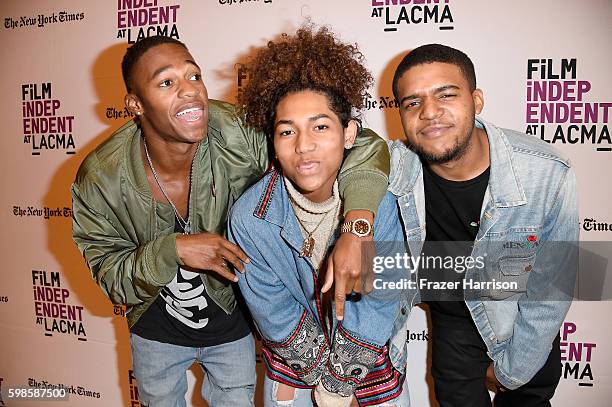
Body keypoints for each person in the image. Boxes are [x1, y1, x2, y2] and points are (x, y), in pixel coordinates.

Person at [71, 35, 391, 407]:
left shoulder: (238, 132)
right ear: (135, 104)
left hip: (232, 323)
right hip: (154, 330)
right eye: (166, 82)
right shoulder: (101, 177)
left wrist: (358, 227)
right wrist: (171, 249)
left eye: (194, 76)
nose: (189, 92)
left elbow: (357, 144)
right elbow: (110, 277)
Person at [228, 26, 416, 407]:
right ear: (273, 142)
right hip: (294, 376)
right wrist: (322, 379)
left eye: (320, 126)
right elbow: (271, 310)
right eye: (286, 131)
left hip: (373, 371)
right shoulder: (250, 217)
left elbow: (383, 295)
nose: (304, 145)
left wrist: (341, 379)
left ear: (349, 134)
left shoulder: (379, 199)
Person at [385, 44, 578, 406]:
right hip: (452, 320)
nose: (429, 113)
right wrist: (355, 228)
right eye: (412, 103)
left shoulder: (545, 172)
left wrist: (514, 370)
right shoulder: (394, 167)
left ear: (477, 100)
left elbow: (551, 292)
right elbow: (341, 155)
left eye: (446, 94)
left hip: (521, 318)